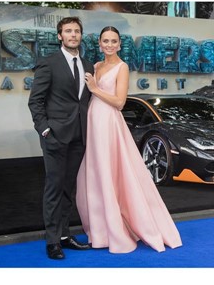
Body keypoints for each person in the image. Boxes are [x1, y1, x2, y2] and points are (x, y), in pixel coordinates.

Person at [76, 26, 182, 254]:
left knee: (110, 172)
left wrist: (94, 88)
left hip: (108, 122)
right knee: (96, 173)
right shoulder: (96, 66)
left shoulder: (122, 67)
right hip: (94, 121)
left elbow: (120, 102)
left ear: (120, 44)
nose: (109, 45)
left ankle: (117, 231)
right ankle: (101, 231)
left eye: (114, 41)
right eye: (105, 41)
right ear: (100, 43)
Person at [28, 17, 94, 260]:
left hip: (79, 135)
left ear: (80, 35)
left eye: (77, 31)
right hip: (55, 135)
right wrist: (44, 129)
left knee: (69, 188)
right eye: (68, 31)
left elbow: (85, 101)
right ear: (60, 36)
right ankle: (52, 240)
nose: (73, 35)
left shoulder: (88, 65)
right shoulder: (48, 64)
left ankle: (65, 235)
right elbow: (35, 101)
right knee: (54, 187)